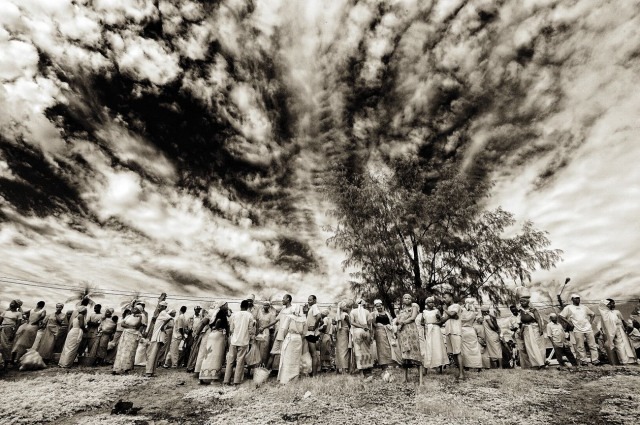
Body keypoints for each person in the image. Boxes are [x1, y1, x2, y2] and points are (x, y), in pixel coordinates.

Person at [560, 294, 598, 366]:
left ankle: (595, 360)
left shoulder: (584, 307)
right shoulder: (569, 307)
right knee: (580, 346)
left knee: (592, 344)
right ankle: (583, 360)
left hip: (588, 328)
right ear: (572, 299)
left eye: (578, 298)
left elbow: (592, 314)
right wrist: (569, 323)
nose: (578, 300)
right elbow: (561, 316)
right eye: (576, 298)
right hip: (577, 329)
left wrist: (590, 322)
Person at [223, 300, 255, 385]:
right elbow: (251, 330)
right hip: (243, 342)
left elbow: (231, 329)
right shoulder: (249, 316)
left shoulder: (234, 315)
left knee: (230, 361)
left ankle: (226, 380)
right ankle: (236, 381)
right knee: (240, 361)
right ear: (247, 307)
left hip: (234, 341)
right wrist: (252, 338)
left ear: (240, 306)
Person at [261, 294, 295, 371]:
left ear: (288, 299)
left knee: (285, 355)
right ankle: (265, 372)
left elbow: (293, 323)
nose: (282, 300)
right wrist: (264, 327)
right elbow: (275, 321)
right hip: (279, 335)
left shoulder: (292, 309)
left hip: (287, 336)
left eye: (284, 299)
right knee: (272, 353)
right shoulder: (283, 310)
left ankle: (284, 373)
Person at [598, 299, 637, 365]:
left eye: (614, 303)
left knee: (626, 344)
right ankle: (623, 361)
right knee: (619, 346)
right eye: (611, 303)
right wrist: (610, 334)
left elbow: (623, 321)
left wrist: (626, 329)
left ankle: (630, 360)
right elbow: (605, 326)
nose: (613, 305)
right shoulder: (605, 315)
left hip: (621, 330)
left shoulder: (617, 312)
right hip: (613, 332)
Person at [199, 302, 229, 384]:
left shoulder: (215, 313)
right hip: (218, 335)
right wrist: (217, 326)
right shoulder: (221, 313)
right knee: (216, 355)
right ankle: (213, 378)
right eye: (226, 305)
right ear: (222, 306)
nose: (227, 306)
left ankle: (202, 377)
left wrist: (214, 327)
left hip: (212, 334)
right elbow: (219, 321)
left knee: (207, 355)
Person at [416, 297, 448, 373]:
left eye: (432, 302)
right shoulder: (424, 312)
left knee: (437, 347)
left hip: (436, 330)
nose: (431, 304)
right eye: (429, 302)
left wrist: (437, 320)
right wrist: (427, 324)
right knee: (429, 347)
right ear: (426, 303)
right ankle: (426, 368)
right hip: (428, 330)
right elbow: (422, 323)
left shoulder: (437, 311)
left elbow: (441, 322)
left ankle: (439, 368)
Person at [278, 305, 307, 384]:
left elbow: (284, 329)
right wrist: (300, 337)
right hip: (298, 339)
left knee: (287, 358)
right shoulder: (303, 319)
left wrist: (285, 338)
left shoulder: (289, 317)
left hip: (290, 337)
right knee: (296, 359)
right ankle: (294, 379)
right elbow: (305, 333)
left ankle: (285, 378)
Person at [518, 293, 546, 369]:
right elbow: (522, 323)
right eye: (520, 301)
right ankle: (535, 364)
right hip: (526, 330)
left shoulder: (533, 310)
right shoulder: (520, 310)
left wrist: (540, 329)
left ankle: (541, 363)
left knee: (537, 346)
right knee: (529, 347)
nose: (522, 303)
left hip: (534, 329)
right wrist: (521, 332)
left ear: (527, 302)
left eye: (523, 301)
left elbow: (538, 319)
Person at [112, 307, 142, 375]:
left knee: (129, 351)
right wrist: (130, 327)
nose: (134, 309)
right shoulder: (128, 316)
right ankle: (117, 368)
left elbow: (137, 326)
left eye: (136, 308)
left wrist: (140, 317)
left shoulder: (140, 317)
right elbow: (122, 324)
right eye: (134, 308)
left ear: (139, 310)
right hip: (125, 334)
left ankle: (126, 369)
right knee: (121, 350)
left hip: (133, 335)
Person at [371, 299, 400, 368]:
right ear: (375, 307)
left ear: (382, 306)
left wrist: (390, 327)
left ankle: (391, 361)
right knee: (382, 347)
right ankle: (383, 363)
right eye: (377, 306)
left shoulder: (387, 313)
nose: (379, 307)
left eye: (380, 306)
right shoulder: (374, 314)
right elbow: (373, 323)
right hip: (380, 332)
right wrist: (379, 326)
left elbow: (390, 321)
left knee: (390, 346)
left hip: (388, 331)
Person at [349, 299, 374, 376]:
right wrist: (370, 332)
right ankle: (368, 368)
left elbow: (352, 322)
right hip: (366, 331)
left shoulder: (353, 312)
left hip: (357, 332)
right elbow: (370, 323)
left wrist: (360, 326)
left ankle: (361, 371)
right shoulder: (367, 312)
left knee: (358, 351)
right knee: (367, 350)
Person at [442, 292, 465, 379]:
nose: (444, 299)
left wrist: (445, 310)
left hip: (455, 331)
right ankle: (460, 372)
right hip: (448, 331)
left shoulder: (456, 306)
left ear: (451, 297)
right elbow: (443, 319)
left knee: (458, 352)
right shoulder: (448, 308)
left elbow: (452, 314)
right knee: (453, 353)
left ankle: (462, 374)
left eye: (445, 297)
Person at [145, 301, 170, 377]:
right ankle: (152, 372)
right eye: (159, 306)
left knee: (152, 354)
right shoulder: (160, 314)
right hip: (158, 337)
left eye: (161, 306)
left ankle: (149, 372)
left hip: (157, 337)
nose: (159, 307)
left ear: (164, 307)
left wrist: (163, 326)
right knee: (155, 355)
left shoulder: (163, 312)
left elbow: (169, 318)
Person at [459, 298, 483, 372]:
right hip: (471, 330)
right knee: (475, 349)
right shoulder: (474, 312)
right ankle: (478, 366)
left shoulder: (462, 311)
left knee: (465, 349)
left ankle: (467, 366)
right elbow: (480, 320)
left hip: (463, 330)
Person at [0, 300, 23, 367]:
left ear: (17, 305)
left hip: (10, 330)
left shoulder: (18, 313)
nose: (11, 304)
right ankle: (2, 361)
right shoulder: (5, 312)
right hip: (2, 328)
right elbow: (0, 321)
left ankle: (6, 363)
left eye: (13, 303)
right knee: (1, 346)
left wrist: (13, 333)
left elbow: (18, 324)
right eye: (11, 303)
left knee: (7, 346)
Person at [188, 308, 210, 373]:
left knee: (196, 351)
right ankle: (191, 366)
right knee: (194, 351)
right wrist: (195, 334)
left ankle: (193, 366)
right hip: (196, 335)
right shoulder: (193, 318)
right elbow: (194, 328)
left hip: (199, 335)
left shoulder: (201, 320)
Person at [255, 301, 277, 366]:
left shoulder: (271, 315)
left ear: (269, 306)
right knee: (257, 348)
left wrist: (265, 328)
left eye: (267, 305)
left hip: (266, 332)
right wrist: (257, 331)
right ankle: (257, 365)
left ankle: (263, 364)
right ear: (263, 306)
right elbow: (257, 322)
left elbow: (272, 326)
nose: (266, 306)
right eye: (264, 305)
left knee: (265, 349)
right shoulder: (259, 313)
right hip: (259, 331)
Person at [508, 304, 530, 368]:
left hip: (526, 333)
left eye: (515, 310)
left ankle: (533, 364)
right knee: (521, 349)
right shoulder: (511, 318)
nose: (514, 312)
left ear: (517, 309)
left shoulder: (522, 315)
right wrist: (514, 328)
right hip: (517, 334)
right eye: (512, 311)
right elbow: (510, 328)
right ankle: (526, 366)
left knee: (528, 348)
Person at [305, 295, 322, 376]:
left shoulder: (314, 306)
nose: (309, 301)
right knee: (313, 354)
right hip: (311, 333)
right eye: (308, 300)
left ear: (315, 300)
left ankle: (314, 373)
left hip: (311, 333)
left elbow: (319, 317)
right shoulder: (313, 308)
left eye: (310, 300)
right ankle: (313, 372)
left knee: (314, 354)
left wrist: (314, 327)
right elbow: (321, 320)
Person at [335, 300, 351, 374]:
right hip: (345, 332)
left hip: (339, 333)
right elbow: (350, 324)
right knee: (345, 350)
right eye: (345, 306)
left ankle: (339, 368)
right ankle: (345, 369)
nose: (346, 307)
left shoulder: (338, 315)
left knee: (339, 350)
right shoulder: (345, 315)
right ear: (343, 308)